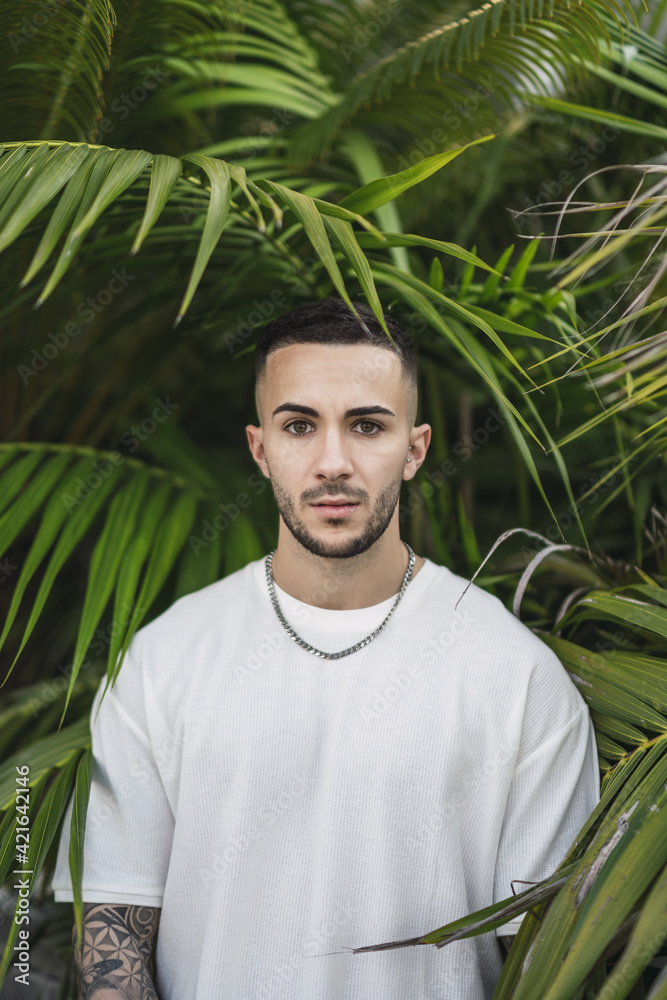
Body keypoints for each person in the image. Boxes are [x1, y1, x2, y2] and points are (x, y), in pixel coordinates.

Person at [51, 296, 600, 1000]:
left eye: (367, 426)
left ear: (414, 449)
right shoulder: (161, 665)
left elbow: (547, 962)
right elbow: (116, 929)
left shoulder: (516, 677)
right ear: (259, 449)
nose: (331, 462)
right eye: (299, 426)